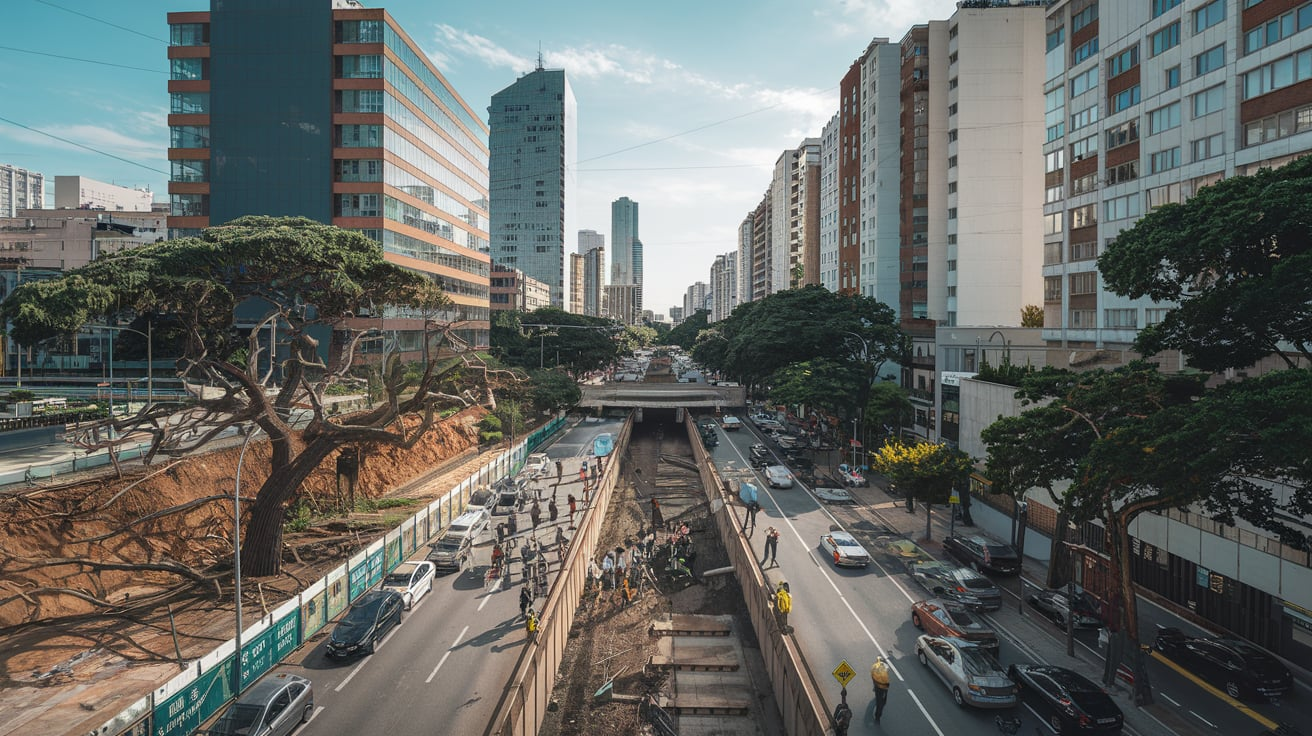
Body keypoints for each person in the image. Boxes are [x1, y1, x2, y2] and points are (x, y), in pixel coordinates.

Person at [870, 655, 890, 722]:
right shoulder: (884, 671)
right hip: (882, 688)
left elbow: (872, 675)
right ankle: (877, 717)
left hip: (876, 685)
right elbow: (886, 681)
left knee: (878, 697)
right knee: (881, 703)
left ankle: (877, 715)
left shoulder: (874, 667)